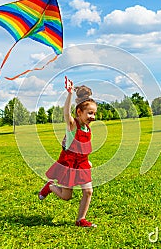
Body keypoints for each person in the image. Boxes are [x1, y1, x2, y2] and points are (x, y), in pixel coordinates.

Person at [38, 76, 98, 228]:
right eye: (90, 113)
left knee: (88, 191)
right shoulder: (73, 125)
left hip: (82, 163)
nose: (93, 117)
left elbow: (82, 147)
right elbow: (66, 114)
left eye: (94, 114)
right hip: (69, 164)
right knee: (66, 196)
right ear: (79, 112)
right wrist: (70, 94)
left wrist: (87, 159)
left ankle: (80, 220)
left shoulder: (88, 128)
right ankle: (51, 186)